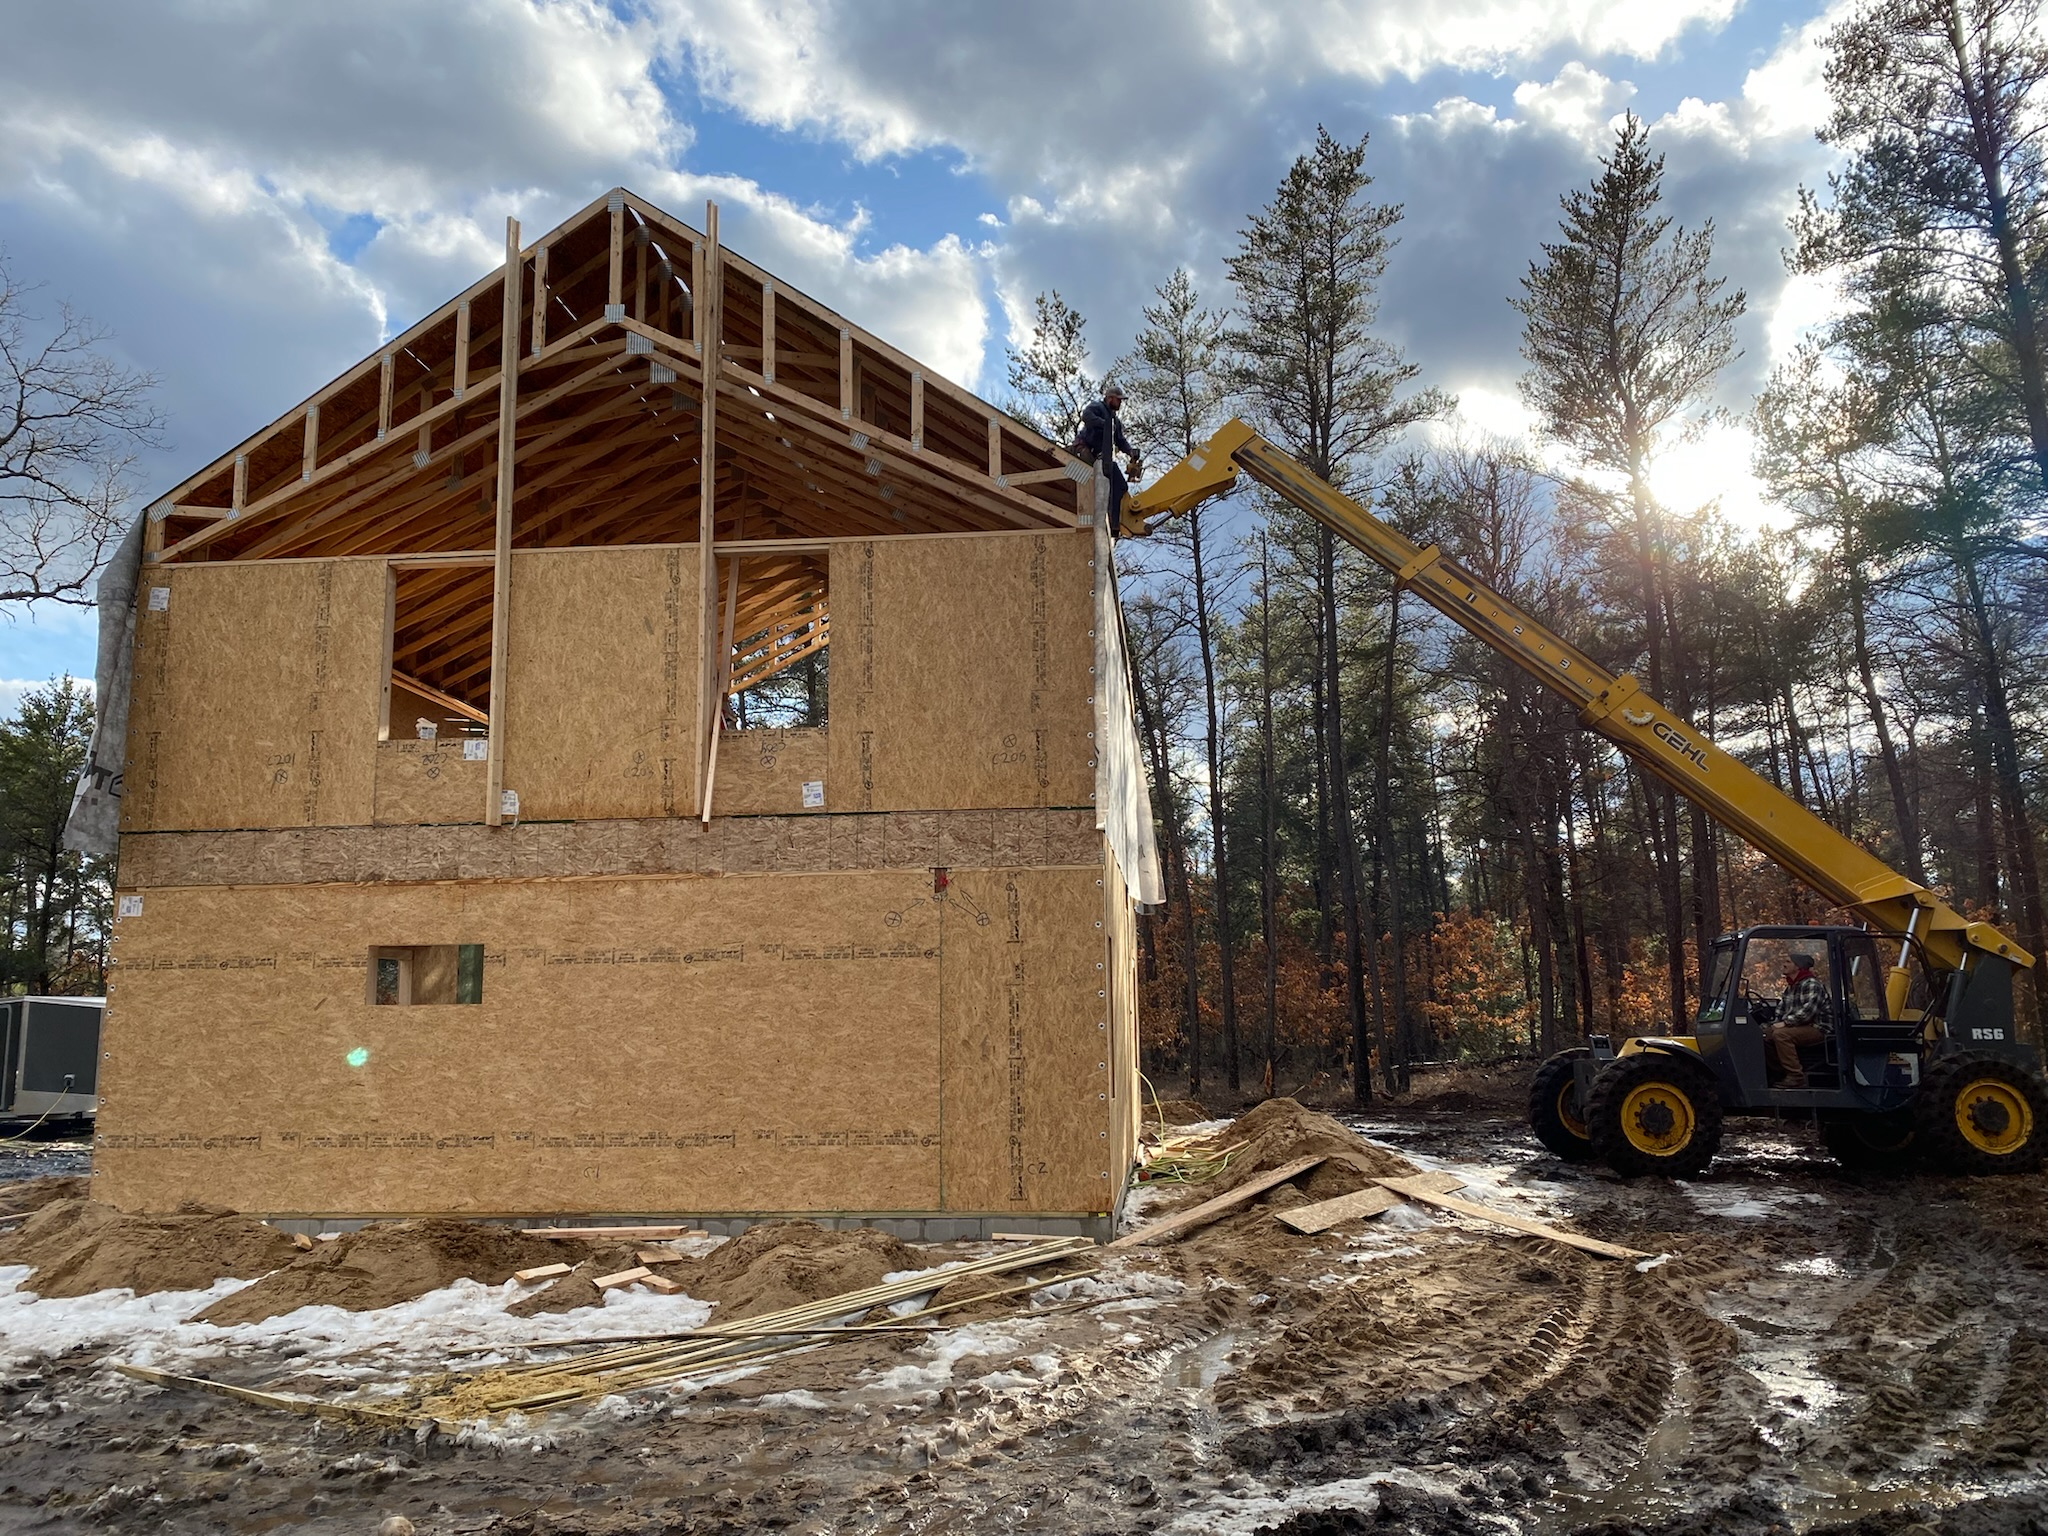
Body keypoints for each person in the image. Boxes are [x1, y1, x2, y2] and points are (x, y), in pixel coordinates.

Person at [1071, 384, 1142, 535]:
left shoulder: (1115, 422)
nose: (1120, 403)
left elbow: (1120, 441)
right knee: (1093, 481)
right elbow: (1087, 416)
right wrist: (1105, 425)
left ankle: (1114, 522)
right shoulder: (1097, 407)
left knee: (1120, 485)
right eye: (1118, 400)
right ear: (1110, 398)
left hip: (1101, 458)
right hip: (1085, 449)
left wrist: (1130, 452)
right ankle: (1098, 511)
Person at [1766, 950, 1830, 1089]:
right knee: (1764, 1035)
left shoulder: (1812, 985)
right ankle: (1780, 1073)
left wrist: (1784, 1023)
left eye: (1788, 962)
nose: (1784, 964)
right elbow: (1781, 1010)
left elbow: (1808, 1013)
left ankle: (1796, 1077)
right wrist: (1772, 1024)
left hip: (1817, 1028)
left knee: (1781, 1035)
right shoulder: (1790, 988)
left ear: (1798, 967)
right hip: (1799, 1026)